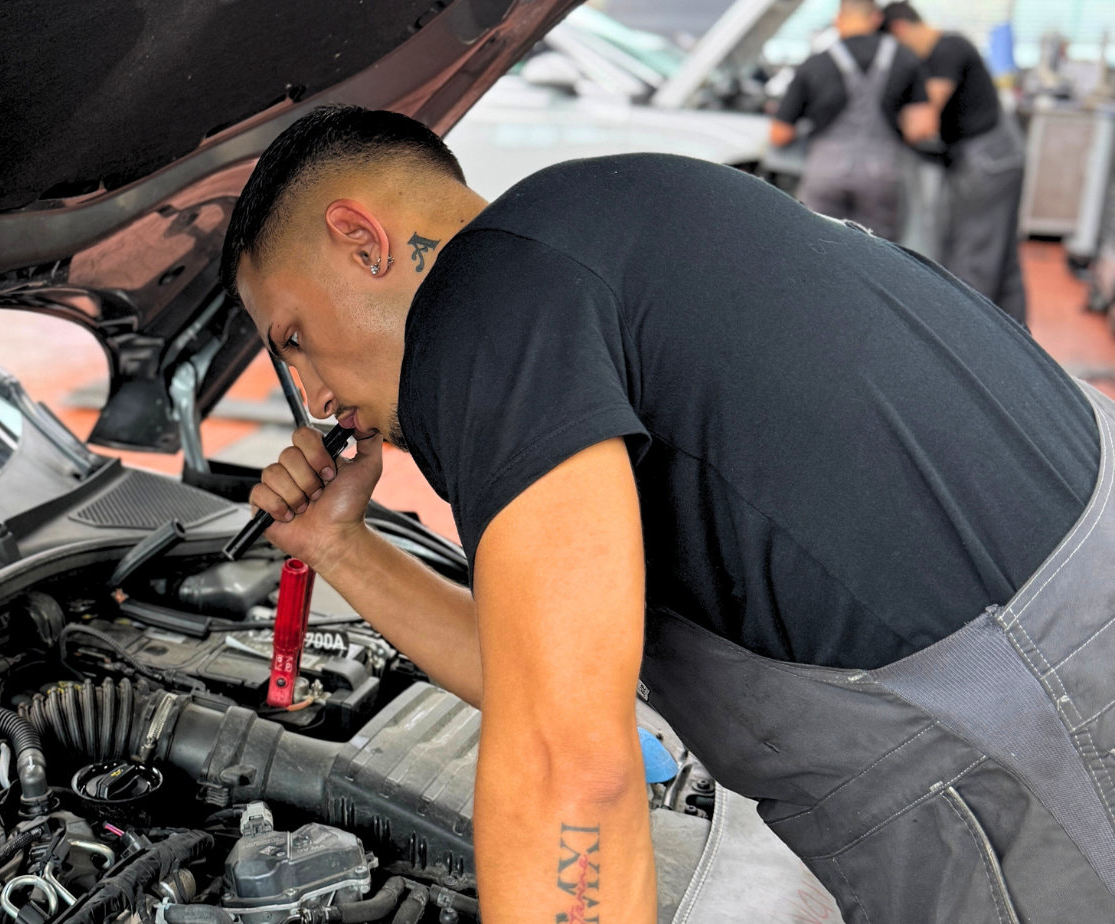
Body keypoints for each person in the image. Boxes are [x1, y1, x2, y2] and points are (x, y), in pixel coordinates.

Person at [221, 104, 1115, 923]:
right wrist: (337, 544)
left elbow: (567, 766)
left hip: (1031, 753)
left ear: (360, 239)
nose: (313, 395)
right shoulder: (607, 220)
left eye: (293, 338)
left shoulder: (481, 306)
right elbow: (549, 675)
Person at [885, 1, 1028, 326]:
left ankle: (967, 340)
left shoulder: (946, 49)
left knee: (972, 253)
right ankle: (1014, 341)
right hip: (997, 156)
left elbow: (921, 125)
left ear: (900, 30)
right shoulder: (942, 52)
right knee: (1001, 257)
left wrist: (890, 116)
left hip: (988, 160)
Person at [769, 0, 932, 242]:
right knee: (879, 253)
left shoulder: (815, 63)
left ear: (838, 20)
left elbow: (779, 134)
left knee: (818, 245)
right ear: (876, 19)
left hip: (825, 173)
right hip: (882, 174)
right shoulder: (905, 59)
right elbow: (924, 127)